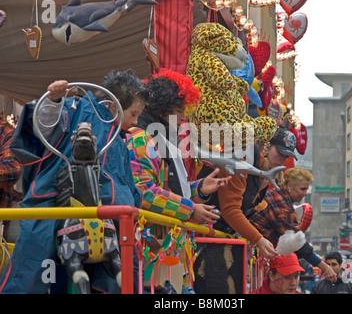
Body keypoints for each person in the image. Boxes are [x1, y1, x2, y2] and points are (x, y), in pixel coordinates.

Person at [0, 69, 146, 294]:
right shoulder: (78, 108)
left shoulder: (119, 139)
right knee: (34, 247)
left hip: (111, 211)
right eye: (134, 114)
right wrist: (54, 100)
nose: (135, 122)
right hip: (55, 196)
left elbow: (125, 180)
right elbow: (45, 126)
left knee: (127, 258)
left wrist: (134, 201)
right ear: (114, 105)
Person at [125, 68, 231, 226]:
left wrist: (199, 188)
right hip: (151, 242)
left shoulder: (164, 141)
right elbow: (144, 191)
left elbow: (168, 188)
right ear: (162, 109)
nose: (183, 117)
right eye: (179, 111)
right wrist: (190, 210)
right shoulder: (141, 139)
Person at [199, 126, 298, 260]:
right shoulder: (241, 162)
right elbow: (231, 210)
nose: (282, 159)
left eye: (286, 156)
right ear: (267, 146)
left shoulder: (265, 175)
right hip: (199, 233)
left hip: (215, 237)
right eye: (280, 153)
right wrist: (258, 239)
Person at [249, 167, 337, 282]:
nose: (305, 193)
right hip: (250, 253)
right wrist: (324, 267)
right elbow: (296, 243)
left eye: (306, 189)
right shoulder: (281, 203)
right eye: (302, 189)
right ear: (289, 186)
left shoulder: (277, 195)